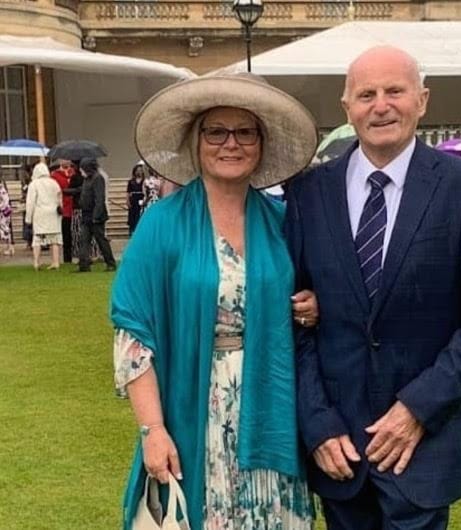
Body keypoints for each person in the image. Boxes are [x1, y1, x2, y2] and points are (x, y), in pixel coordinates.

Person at [285, 46, 461, 530]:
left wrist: (419, 407)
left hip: (423, 444)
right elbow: (292, 317)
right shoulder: (309, 192)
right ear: (346, 107)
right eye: (366, 94)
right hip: (339, 452)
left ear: (423, 100)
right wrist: (317, 424)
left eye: (395, 91)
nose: (381, 105)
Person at [111, 72, 319, 530]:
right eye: (216, 131)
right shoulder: (162, 224)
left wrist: (311, 306)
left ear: (261, 144)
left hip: (273, 408)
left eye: (245, 131)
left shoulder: (283, 223)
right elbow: (133, 335)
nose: (231, 143)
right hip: (195, 408)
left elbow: (310, 296)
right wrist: (153, 430)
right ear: (196, 141)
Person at [77, 158, 116, 272]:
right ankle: (84, 265)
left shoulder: (98, 178)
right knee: (84, 240)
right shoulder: (87, 179)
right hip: (86, 214)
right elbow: (82, 191)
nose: (80, 171)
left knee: (101, 240)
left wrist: (96, 215)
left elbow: (100, 198)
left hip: (95, 215)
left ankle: (110, 263)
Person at [25, 162, 63, 270]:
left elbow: (30, 202)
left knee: (37, 238)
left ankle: (36, 262)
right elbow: (59, 198)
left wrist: (28, 218)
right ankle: (55, 262)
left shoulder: (34, 184)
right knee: (54, 239)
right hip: (53, 214)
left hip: (40, 214)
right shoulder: (54, 183)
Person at [50, 159, 75, 263]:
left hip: (73, 207)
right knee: (64, 235)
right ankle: (64, 258)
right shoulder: (54, 176)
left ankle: (71, 256)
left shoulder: (73, 173)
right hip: (62, 208)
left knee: (71, 234)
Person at [127, 162, 146, 234]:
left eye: (140, 170)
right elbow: (128, 192)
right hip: (133, 200)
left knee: (140, 215)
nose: (139, 172)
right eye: (137, 170)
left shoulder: (145, 181)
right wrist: (127, 201)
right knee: (132, 215)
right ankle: (132, 230)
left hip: (141, 199)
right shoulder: (131, 181)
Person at [0, 178, 14, 256]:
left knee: (5, 230)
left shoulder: (2, 190)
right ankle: (9, 248)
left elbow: (5, 201)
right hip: (3, 212)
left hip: (3, 213)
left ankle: (9, 248)